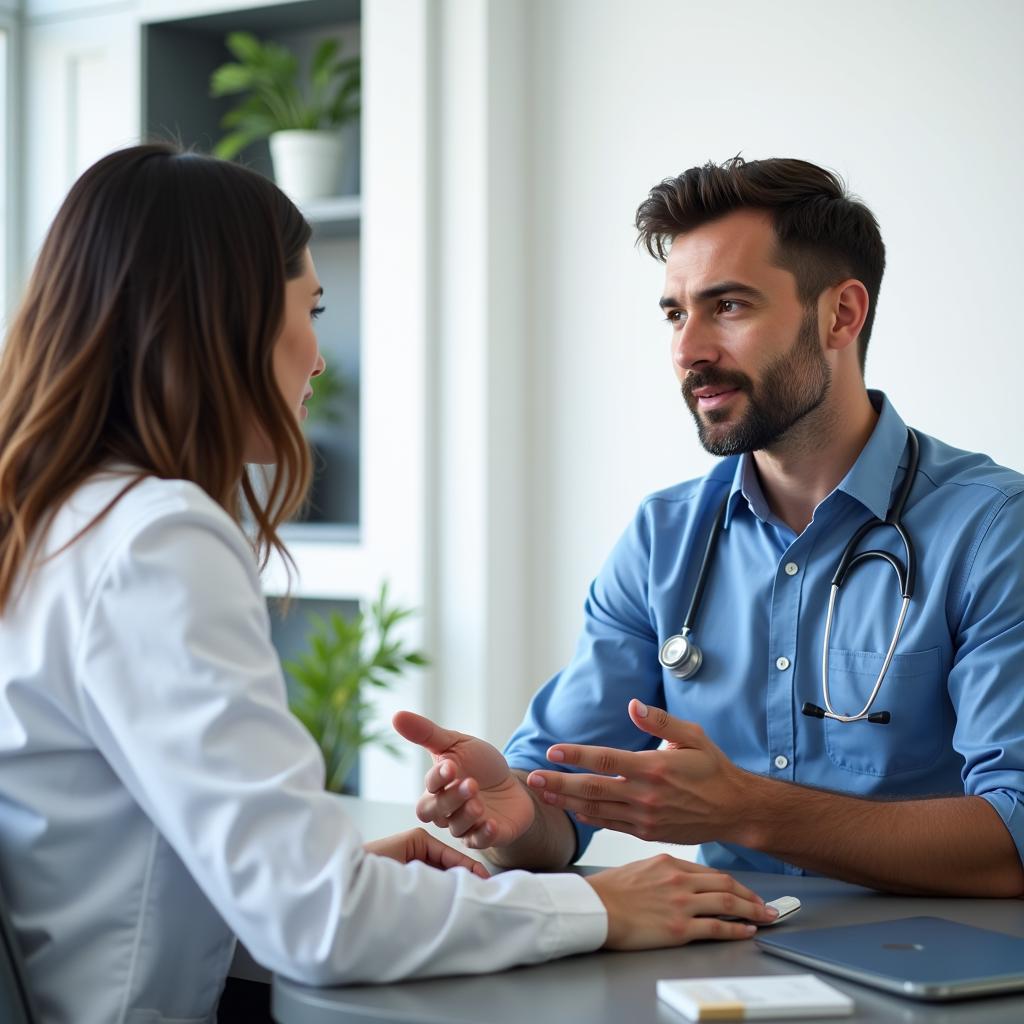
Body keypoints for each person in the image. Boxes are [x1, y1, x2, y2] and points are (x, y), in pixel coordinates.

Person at [0, 144, 779, 1024]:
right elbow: (319, 924)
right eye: (312, 310)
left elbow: (130, 877)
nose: (319, 359)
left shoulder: (56, 524)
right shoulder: (154, 540)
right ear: (225, 319)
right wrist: (598, 906)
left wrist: (365, 877)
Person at [396, 156, 1024, 899]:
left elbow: (1013, 841)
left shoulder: (991, 531)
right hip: (729, 971)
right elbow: (553, 814)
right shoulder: (664, 540)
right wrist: (513, 816)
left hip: (942, 984)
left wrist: (753, 812)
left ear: (841, 316)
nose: (687, 350)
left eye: (728, 306)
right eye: (674, 312)